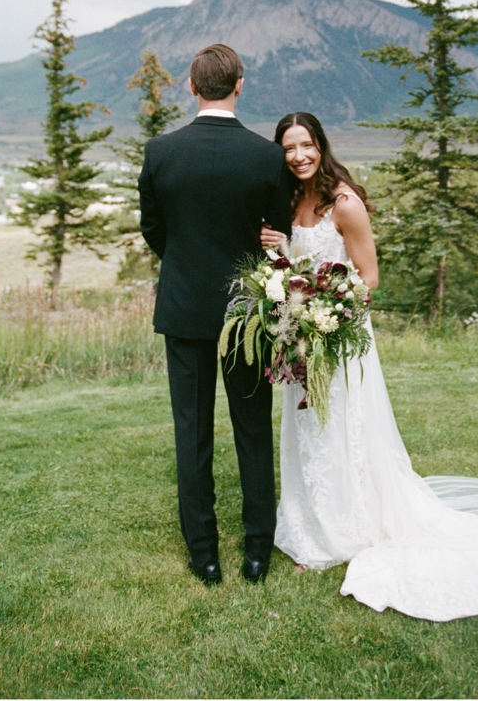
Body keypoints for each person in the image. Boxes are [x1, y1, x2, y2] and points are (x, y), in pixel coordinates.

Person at [259, 112, 478, 621]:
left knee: (341, 430)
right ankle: (311, 527)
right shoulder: (290, 201)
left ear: (321, 145)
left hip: (339, 332)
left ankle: (346, 533)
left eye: (305, 145)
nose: (298, 156)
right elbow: (298, 267)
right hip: (302, 338)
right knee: (308, 427)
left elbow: (369, 278)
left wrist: (326, 311)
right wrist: (283, 257)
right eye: (288, 148)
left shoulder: (345, 203)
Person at [138, 43, 294, 586]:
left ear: (190, 85)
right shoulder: (265, 156)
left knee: (192, 432)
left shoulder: (161, 152)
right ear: (240, 84)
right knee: (252, 431)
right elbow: (277, 234)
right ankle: (257, 550)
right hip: (246, 316)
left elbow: (154, 229)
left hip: (184, 311)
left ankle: (203, 553)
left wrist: (184, 266)